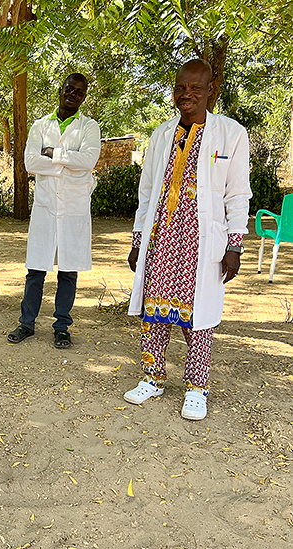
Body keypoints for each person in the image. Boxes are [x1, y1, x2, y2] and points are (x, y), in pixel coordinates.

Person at [123, 59, 251, 420]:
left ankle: (197, 387)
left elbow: (238, 195)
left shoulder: (231, 134)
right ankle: (152, 376)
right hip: (162, 238)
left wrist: (234, 246)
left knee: (200, 317)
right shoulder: (162, 135)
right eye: (181, 87)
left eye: (196, 88)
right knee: (155, 310)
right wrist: (138, 241)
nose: (187, 94)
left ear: (212, 90)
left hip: (202, 242)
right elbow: (147, 192)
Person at [7, 73, 101, 349]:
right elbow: (29, 162)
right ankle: (27, 323)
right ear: (60, 90)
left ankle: (61, 326)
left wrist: (54, 154)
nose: (73, 94)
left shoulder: (89, 127)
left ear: (83, 97)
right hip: (46, 208)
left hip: (73, 208)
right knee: (36, 269)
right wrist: (67, 163)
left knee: (68, 271)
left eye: (79, 92)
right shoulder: (40, 125)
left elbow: (89, 160)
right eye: (69, 89)